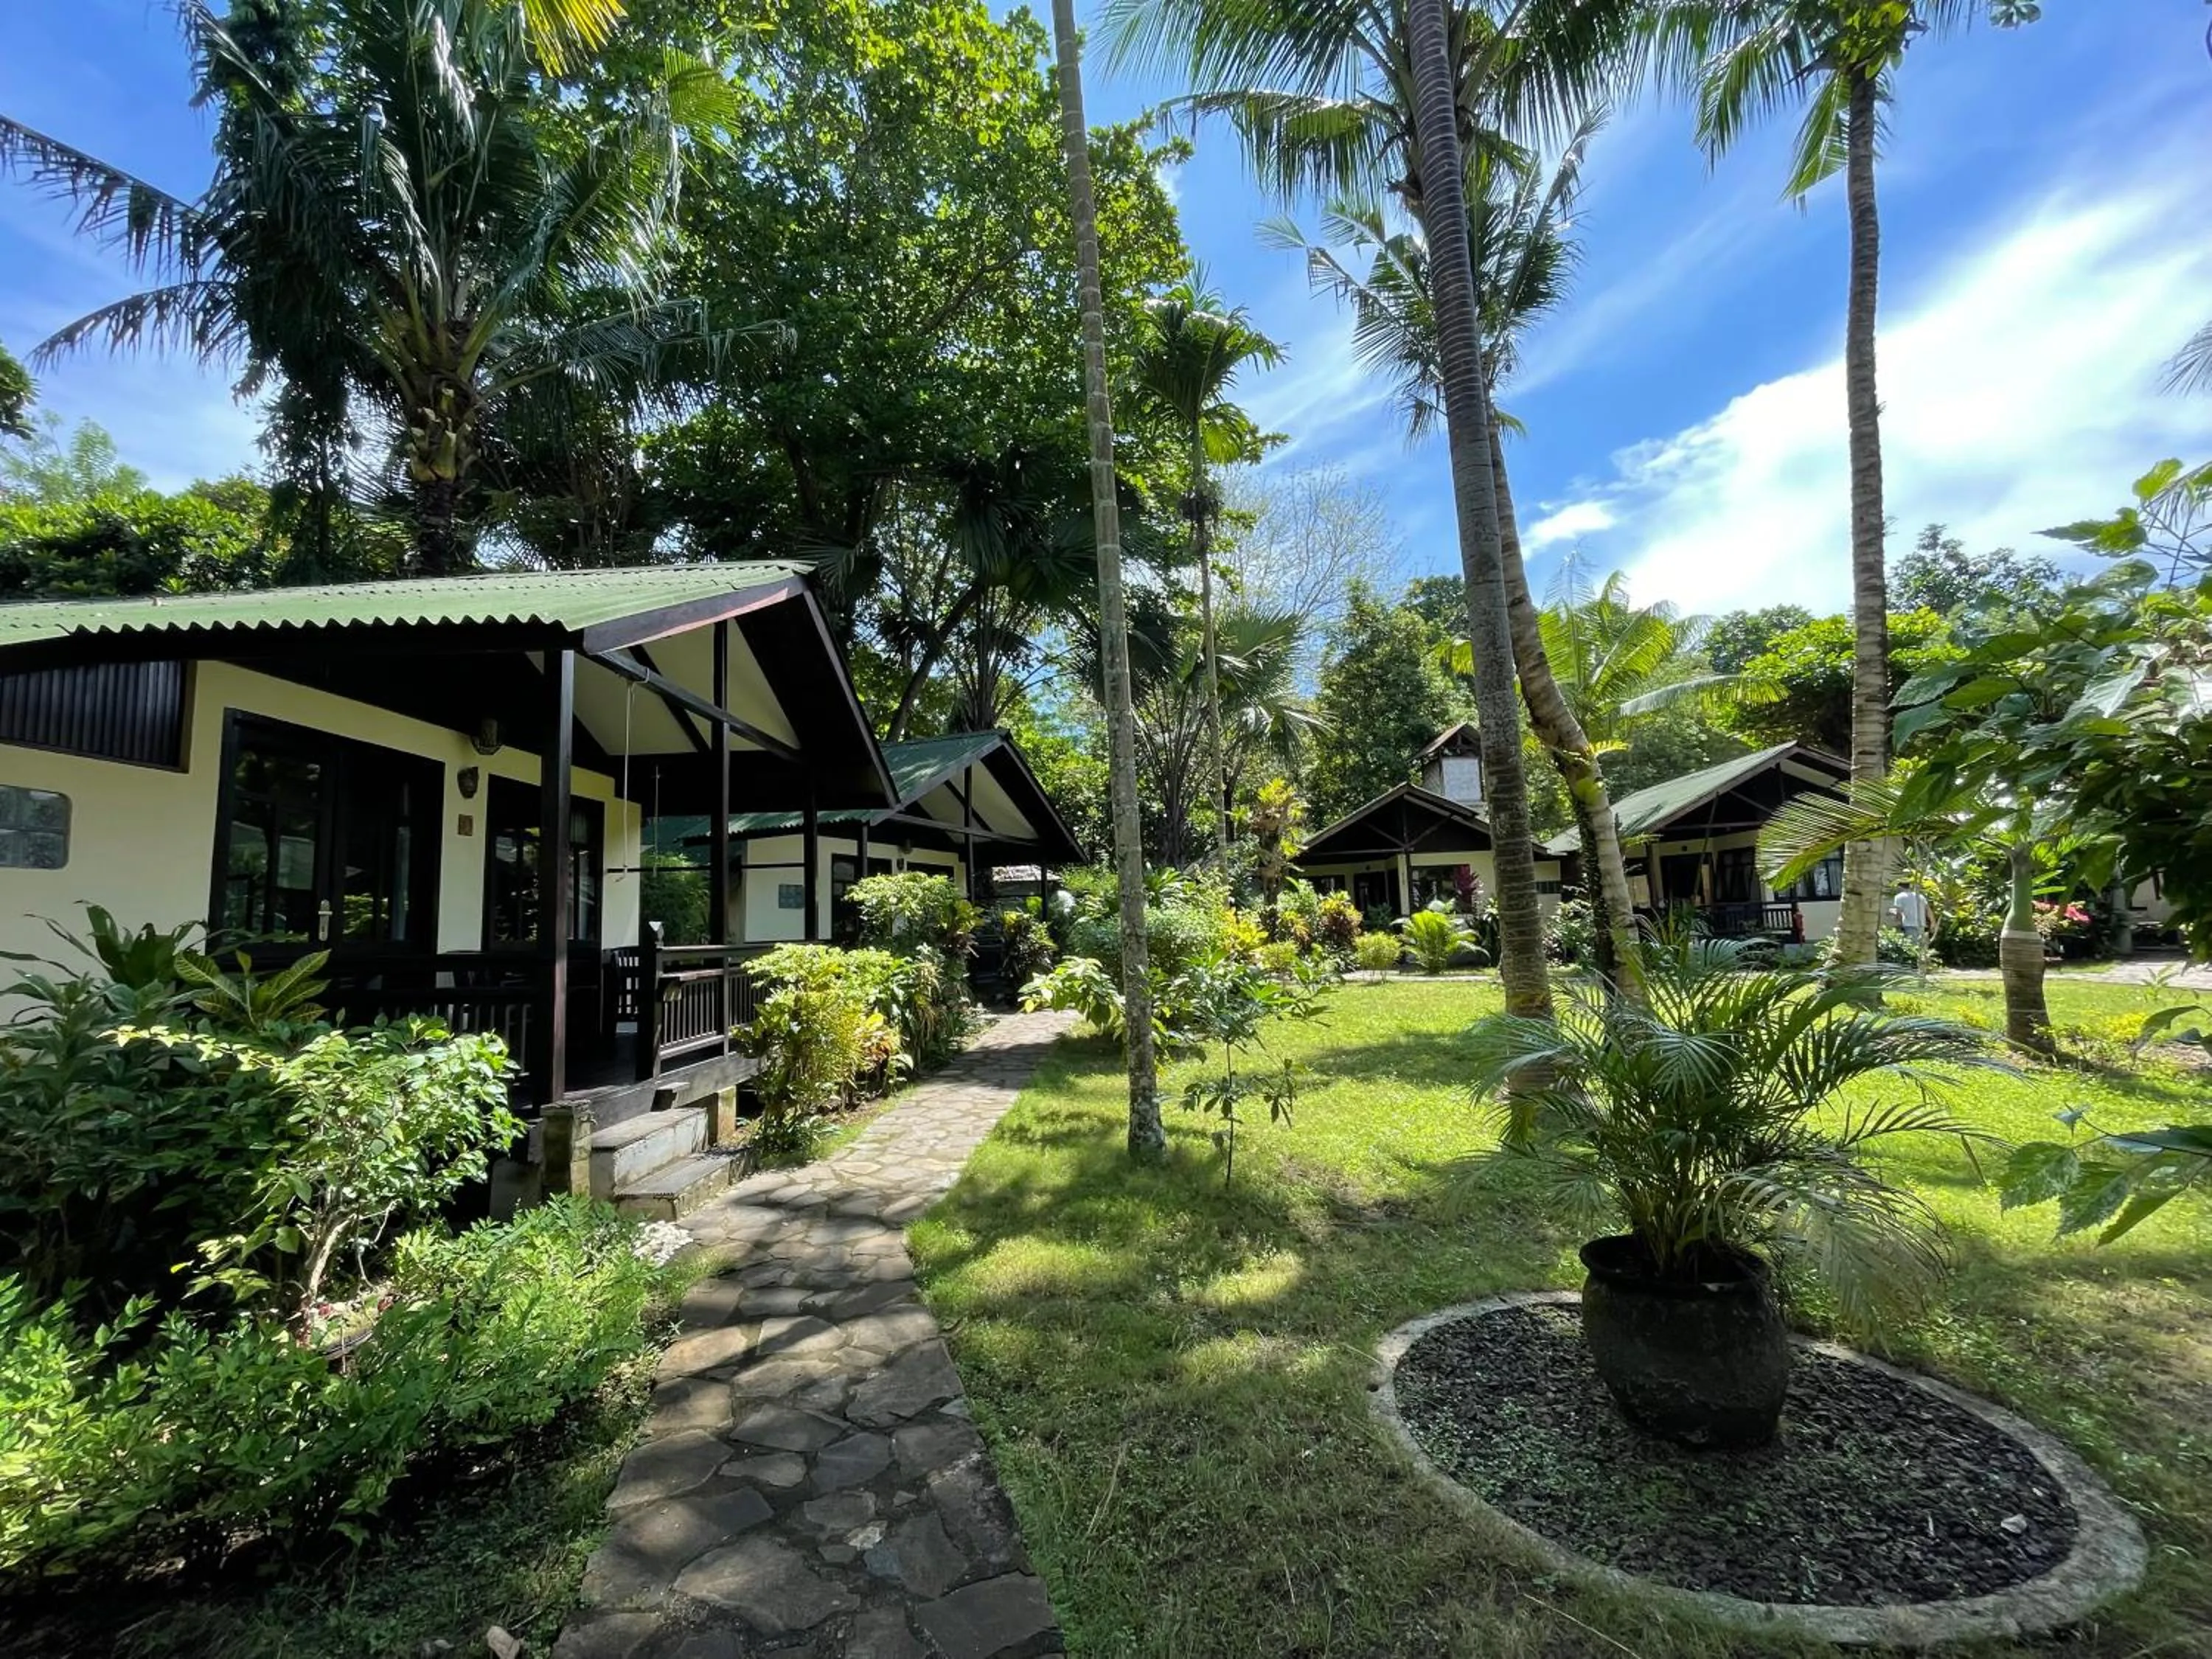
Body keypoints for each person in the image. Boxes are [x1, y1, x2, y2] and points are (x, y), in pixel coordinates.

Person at [1891, 880, 1932, 947]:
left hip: (1909, 925)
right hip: (1921, 925)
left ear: (1899, 887)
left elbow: (1899, 913)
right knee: (1921, 947)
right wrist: (1933, 923)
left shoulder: (1899, 897)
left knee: (1912, 947)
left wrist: (1896, 920)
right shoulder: (1920, 896)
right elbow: (1928, 910)